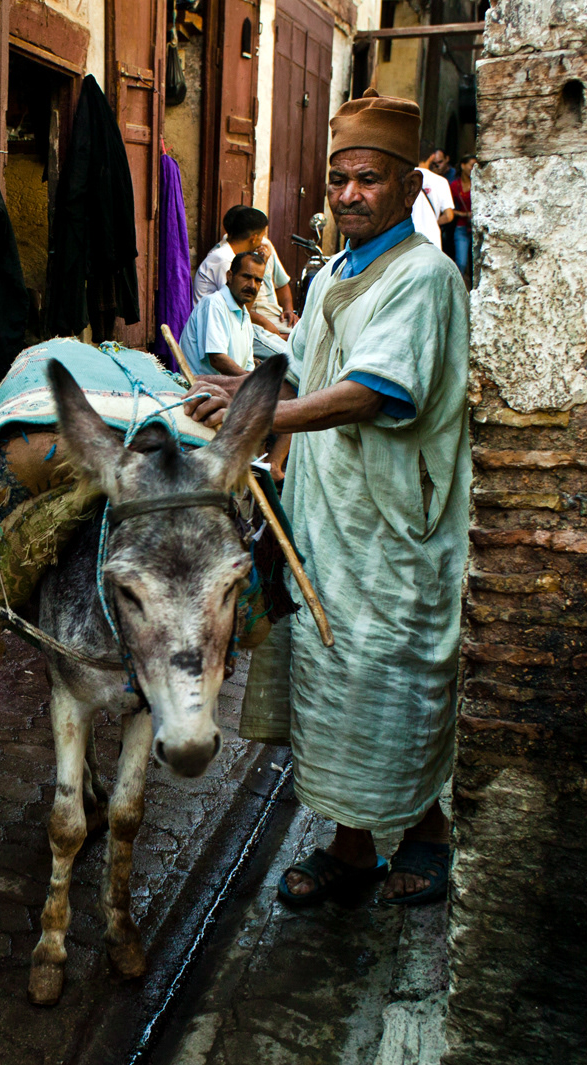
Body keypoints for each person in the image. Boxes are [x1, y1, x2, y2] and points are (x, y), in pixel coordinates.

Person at [181, 88, 470, 908]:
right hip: (328, 514)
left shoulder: (424, 276)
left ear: (410, 185)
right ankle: (350, 848)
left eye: (368, 179)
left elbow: (372, 392)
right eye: (339, 178)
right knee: (333, 681)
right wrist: (236, 382)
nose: (348, 194)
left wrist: (260, 410)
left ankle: (428, 833)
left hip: (390, 524)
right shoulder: (338, 270)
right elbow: (309, 374)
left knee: (392, 680)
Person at [177, 250, 291, 378]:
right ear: (230, 276)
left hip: (226, 386)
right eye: (246, 277)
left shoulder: (244, 315)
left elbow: (247, 365)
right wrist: (250, 381)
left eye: (258, 280)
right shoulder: (214, 304)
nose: (252, 285)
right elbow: (217, 359)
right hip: (201, 387)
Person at [194, 206, 299, 333]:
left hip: (249, 318)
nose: (262, 241)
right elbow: (238, 309)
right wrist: (267, 325)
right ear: (254, 238)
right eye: (261, 236)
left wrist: (287, 310)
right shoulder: (224, 260)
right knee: (296, 342)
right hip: (221, 326)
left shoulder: (262, 248)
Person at [411, 148, 455, 251]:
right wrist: (431, 222)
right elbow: (449, 216)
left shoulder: (403, 179)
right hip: (431, 238)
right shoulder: (441, 181)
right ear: (431, 157)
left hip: (407, 237)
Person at [450, 154, 476, 282]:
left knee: (477, 264)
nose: (473, 168)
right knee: (461, 263)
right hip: (462, 227)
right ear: (463, 165)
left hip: (477, 227)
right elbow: (449, 210)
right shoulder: (455, 186)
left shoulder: (479, 183)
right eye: (471, 165)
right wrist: (465, 214)